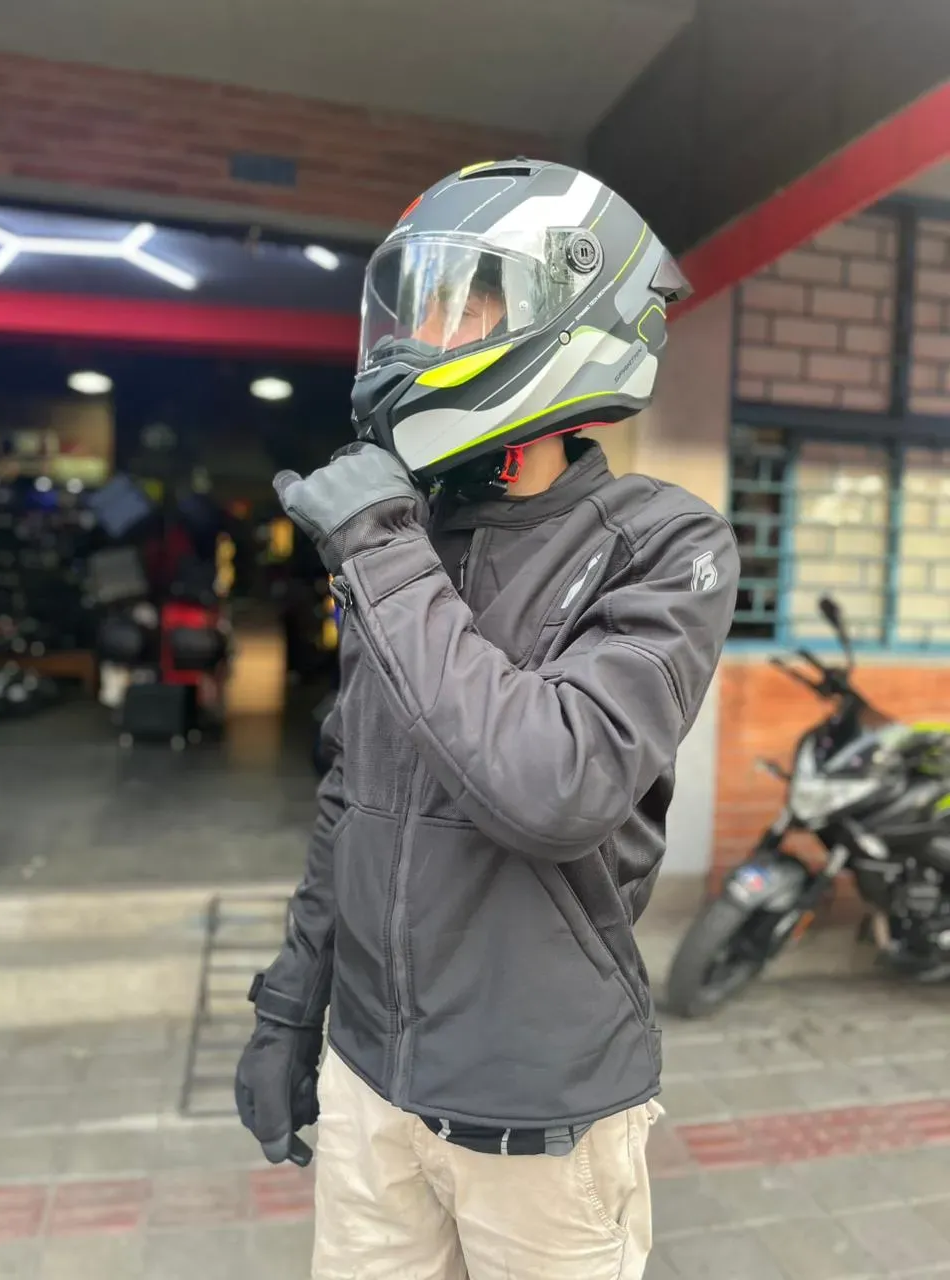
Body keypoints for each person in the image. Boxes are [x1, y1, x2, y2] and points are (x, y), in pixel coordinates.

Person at [235, 158, 739, 1280]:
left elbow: (556, 785)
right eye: (416, 305)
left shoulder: (663, 542)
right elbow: (349, 794)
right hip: (370, 1086)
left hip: (538, 1119)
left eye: (464, 304)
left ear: (570, 306)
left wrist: (377, 551)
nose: (425, 334)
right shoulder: (412, 538)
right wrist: (290, 1008)